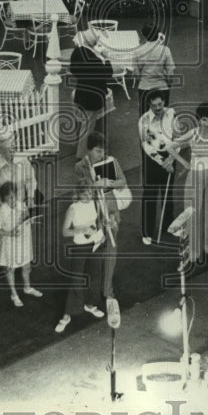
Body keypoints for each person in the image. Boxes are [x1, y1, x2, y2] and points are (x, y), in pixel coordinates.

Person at [74, 132, 125, 309]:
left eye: (103, 151)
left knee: (112, 247)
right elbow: (80, 191)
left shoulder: (111, 161)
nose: (101, 155)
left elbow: (122, 182)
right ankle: (92, 292)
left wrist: (108, 183)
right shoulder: (80, 166)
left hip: (111, 211)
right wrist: (96, 185)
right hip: (92, 213)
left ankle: (107, 290)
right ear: (88, 150)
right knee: (94, 252)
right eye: (97, 151)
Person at [171, 103, 208, 263]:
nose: (207, 123)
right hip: (195, 176)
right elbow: (171, 147)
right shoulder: (192, 134)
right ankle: (192, 252)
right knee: (193, 213)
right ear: (199, 119)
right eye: (204, 120)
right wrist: (185, 163)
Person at [54, 184, 107, 333]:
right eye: (85, 194)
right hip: (80, 246)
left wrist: (101, 234)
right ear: (78, 194)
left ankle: (90, 304)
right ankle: (67, 314)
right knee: (76, 278)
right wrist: (82, 229)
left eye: (90, 193)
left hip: (95, 243)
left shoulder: (95, 203)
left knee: (95, 275)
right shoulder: (73, 208)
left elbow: (99, 222)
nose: (88, 196)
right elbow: (65, 232)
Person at [0, 181, 42, 307]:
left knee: (26, 265)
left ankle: (27, 287)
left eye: (15, 195)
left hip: (24, 240)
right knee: (10, 268)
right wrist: (9, 233)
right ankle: (14, 294)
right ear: (4, 198)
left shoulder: (21, 204)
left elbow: (25, 217)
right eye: (10, 197)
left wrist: (29, 217)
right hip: (9, 243)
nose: (14, 199)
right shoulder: (0, 212)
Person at [138, 92, 177, 246]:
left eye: (160, 104)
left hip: (171, 154)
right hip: (153, 159)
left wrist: (171, 158)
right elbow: (146, 145)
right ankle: (146, 231)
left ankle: (169, 225)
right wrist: (163, 162)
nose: (158, 108)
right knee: (150, 195)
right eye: (154, 106)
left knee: (168, 193)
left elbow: (178, 138)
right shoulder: (143, 121)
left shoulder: (172, 114)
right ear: (149, 105)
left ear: (164, 102)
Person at [68, 29, 115, 159]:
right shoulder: (95, 60)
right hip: (92, 98)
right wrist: (106, 59)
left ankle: (86, 150)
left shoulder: (77, 51)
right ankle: (81, 156)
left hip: (81, 93)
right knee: (87, 128)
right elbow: (108, 74)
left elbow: (73, 69)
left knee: (84, 124)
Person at [134, 23, 176, 111]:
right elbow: (170, 72)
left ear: (144, 36)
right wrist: (168, 84)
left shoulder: (137, 51)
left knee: (145, 117)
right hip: (162, 87)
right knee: (163, 118)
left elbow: (137, 75)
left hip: (144, 88)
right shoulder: (165, 50)